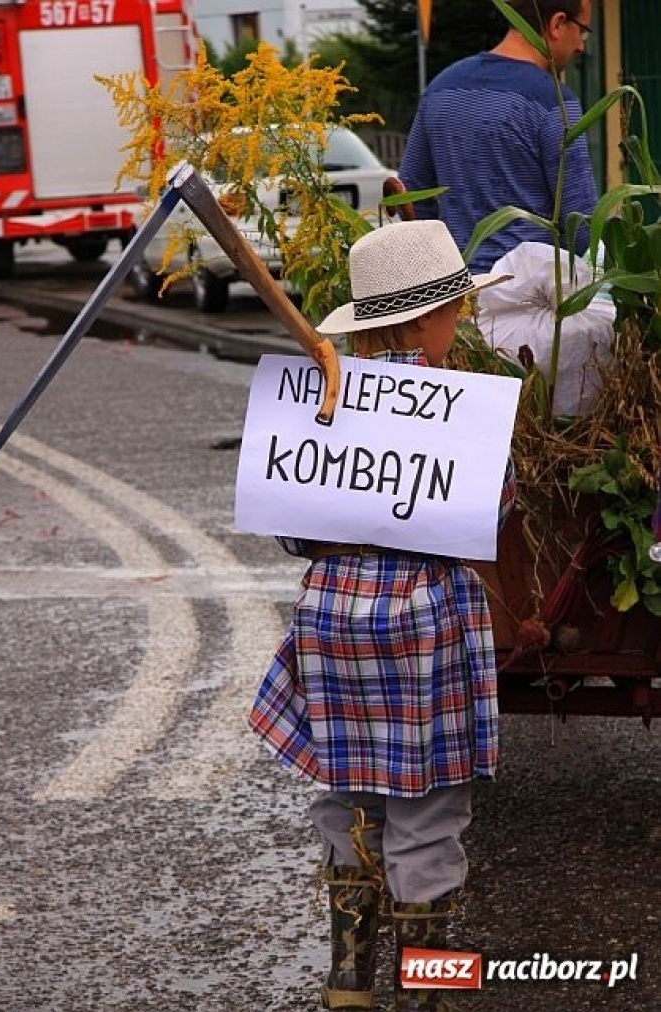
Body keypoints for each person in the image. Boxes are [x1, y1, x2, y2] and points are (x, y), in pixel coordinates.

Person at [248, 220, 516, 1012]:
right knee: (429, 816)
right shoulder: (460, 410)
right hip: (423, 628)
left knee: (346, 799)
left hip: (329, 625)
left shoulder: (321, 396)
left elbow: (292, 529)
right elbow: (491, 518)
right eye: (454, 313)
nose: (459, 324)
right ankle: (428, 995)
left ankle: (347, 985)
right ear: (426, 322)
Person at [399, 0, 598, 273]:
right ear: (557, 24)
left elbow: (411, 193)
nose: (581, 46)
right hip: (531, 299)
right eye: (583, 31)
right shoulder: (555, 102)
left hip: (458, 294)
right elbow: (582, 224)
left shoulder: (441, 88)